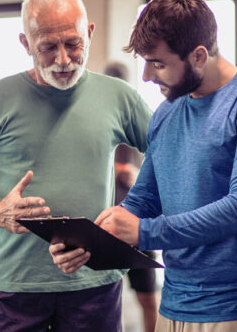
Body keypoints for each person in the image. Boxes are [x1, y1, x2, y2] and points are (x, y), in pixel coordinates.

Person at [0, 0, 152, 331]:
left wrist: (135, 212)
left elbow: (169, 158)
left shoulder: (119, 97)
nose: (64, 59)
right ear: (25, 43)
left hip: (94, 286)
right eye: (48, 47)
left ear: (90, 33)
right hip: (13, 288)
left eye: (73, 43)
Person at [50, 0, 237, 331]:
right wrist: (91, 240)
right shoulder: (166, 113)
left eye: (157, 63)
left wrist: (145, 232)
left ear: (199, 56)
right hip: (172, 306)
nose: (145, 76)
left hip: (233, 309)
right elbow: (145, 198)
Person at [105, 61, 158, 332]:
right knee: (109, 297)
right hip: (108, 220)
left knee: (147, 296)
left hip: (137, 221)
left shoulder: (141, 119)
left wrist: (134, 173)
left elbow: (155, 166)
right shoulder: (101, 121)